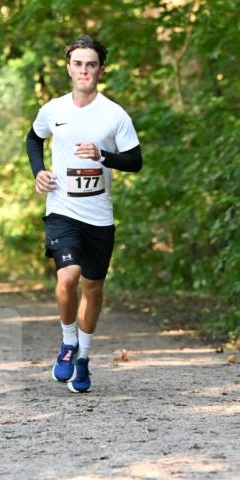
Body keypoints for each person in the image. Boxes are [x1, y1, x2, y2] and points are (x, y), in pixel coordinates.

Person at [26, 35, 142, 394]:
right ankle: (67, 342)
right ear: (69, 68)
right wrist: (38, 172)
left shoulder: (114, 114)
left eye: (91, 64)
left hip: (99, 216)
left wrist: (103, 157)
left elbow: (135, 161)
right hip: (62, 210)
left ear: (100, 70)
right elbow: (33, 139)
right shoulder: (53, 110)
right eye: (78, 63)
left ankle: (84, 359)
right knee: (67, 279)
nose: (84, 70)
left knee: (93, 287)